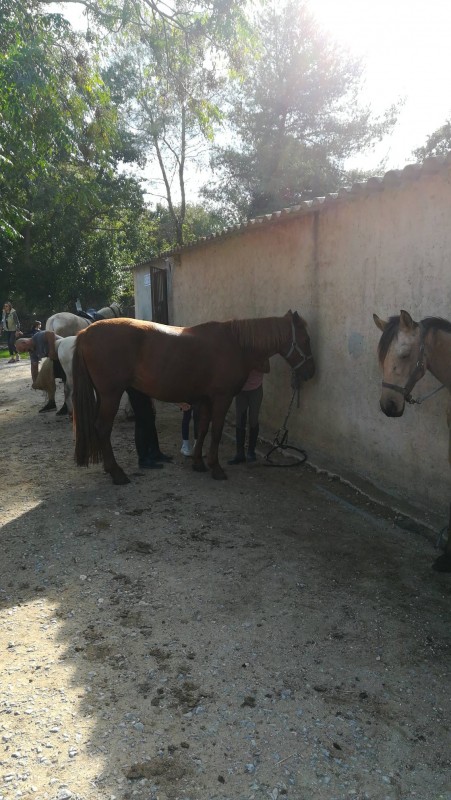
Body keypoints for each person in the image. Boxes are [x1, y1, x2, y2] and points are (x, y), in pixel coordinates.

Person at [15, 330, 66, 413]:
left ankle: (67, 404)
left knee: (66, 380)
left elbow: (51, 334)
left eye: (24, 349)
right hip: (56, 359)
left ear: (24, 342)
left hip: (65, 353)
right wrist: (35, 382)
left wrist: (52, 350)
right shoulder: (32, 351)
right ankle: (51, 403)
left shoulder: (37, 337)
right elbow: (34, 366)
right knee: (47, 379)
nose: (26, 351)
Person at [126, 387, 173, 469]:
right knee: (142, 420)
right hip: (135, 386)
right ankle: (143, 459)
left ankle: (154, 452)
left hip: (143, 388)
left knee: (150, 418)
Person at [228, 369, 265, 464]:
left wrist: (256, 364)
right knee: (240, 421)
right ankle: (240, 454)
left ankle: (251, 452)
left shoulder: (259, 357)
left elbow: (267, 369)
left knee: (253, 420)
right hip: (241, 389)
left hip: (256, 389)